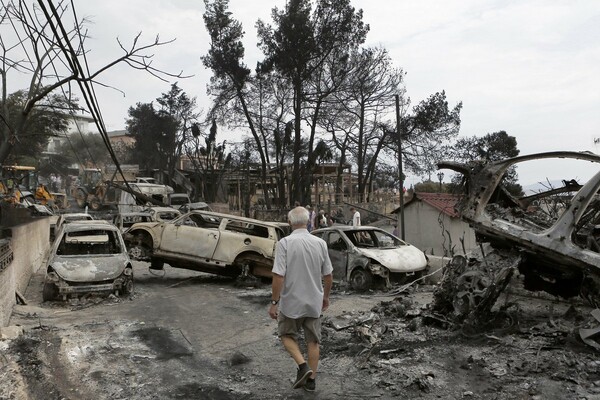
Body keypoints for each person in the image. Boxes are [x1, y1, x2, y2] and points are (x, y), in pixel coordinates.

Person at [269, 206, 333, 392]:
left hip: (291, 303)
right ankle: (311, 381)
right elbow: (328, 276)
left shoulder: (285, 243)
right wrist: (326, 297)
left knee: (286, 335)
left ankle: (302, 366)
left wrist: (274, 302)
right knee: (313, 342)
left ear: (289, 222)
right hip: (314, 301)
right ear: (309, 222)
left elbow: (278, 276)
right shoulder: (320, 243)